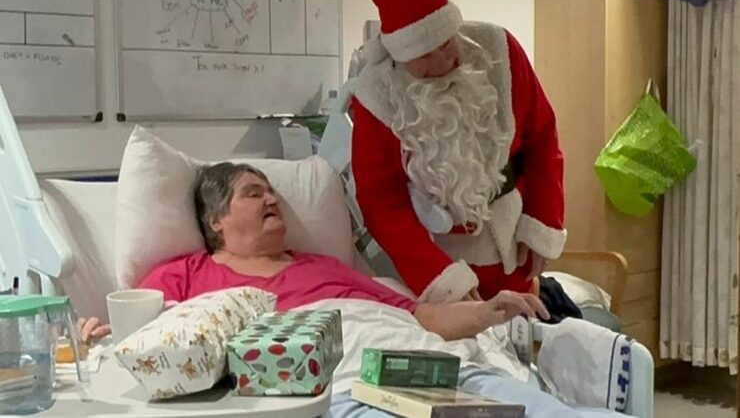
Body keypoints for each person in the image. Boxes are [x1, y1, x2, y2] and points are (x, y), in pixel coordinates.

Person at [81, 162, 630, 418]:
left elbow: (422, 319)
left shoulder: (326, 267)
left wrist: (489, 312)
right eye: (254, 194)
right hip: (344, 390)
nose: (272, 200)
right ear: (217, 219)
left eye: (273, 191)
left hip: (432, 370)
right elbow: (149, 343)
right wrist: (95, 338)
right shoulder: (188, 276)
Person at [351, 0, 567, 303]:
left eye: (447, 43)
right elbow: (381, 202)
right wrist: (441, 280)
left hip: (513, 246)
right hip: (438, 256)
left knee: (523, 335)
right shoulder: (375, 96)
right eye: (424, 57)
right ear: (399, 58)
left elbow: (543, 140)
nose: (444, 63)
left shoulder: (498, 51)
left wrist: (542, 225)